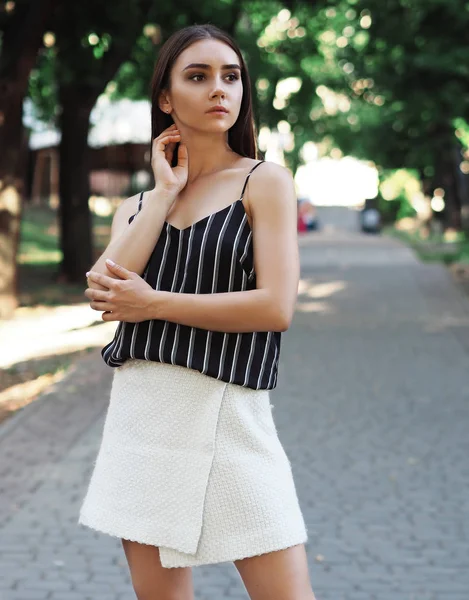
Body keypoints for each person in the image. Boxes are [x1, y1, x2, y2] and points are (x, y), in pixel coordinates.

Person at [79, 24, 317, 600]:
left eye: (231, 76)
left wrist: (155, 303)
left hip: (230, 412)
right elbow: (105, 291)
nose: (220, 90)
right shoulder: (139, 204)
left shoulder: (265, 182)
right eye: (198, 76)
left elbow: (275, 306)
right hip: (145, 416)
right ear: (165, 98)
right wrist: (163, 195)